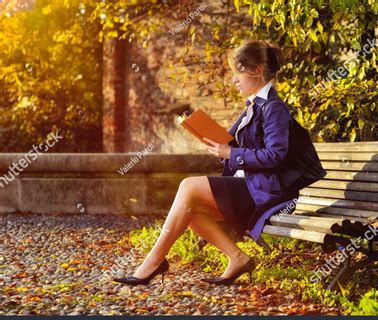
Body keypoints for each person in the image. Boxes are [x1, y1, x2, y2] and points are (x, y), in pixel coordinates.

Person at [113, 39, 326, 287]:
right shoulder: (252, 108)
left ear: (258, 70)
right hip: (252, 185)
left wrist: (231, 154)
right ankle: (237, 257)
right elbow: (233, 144)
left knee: (188, 187)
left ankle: (154, 261)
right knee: (189, 209)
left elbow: (275, 155)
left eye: (239, 73)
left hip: (266, 192)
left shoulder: (273, 108)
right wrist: (219, 146)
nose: (234, 80)